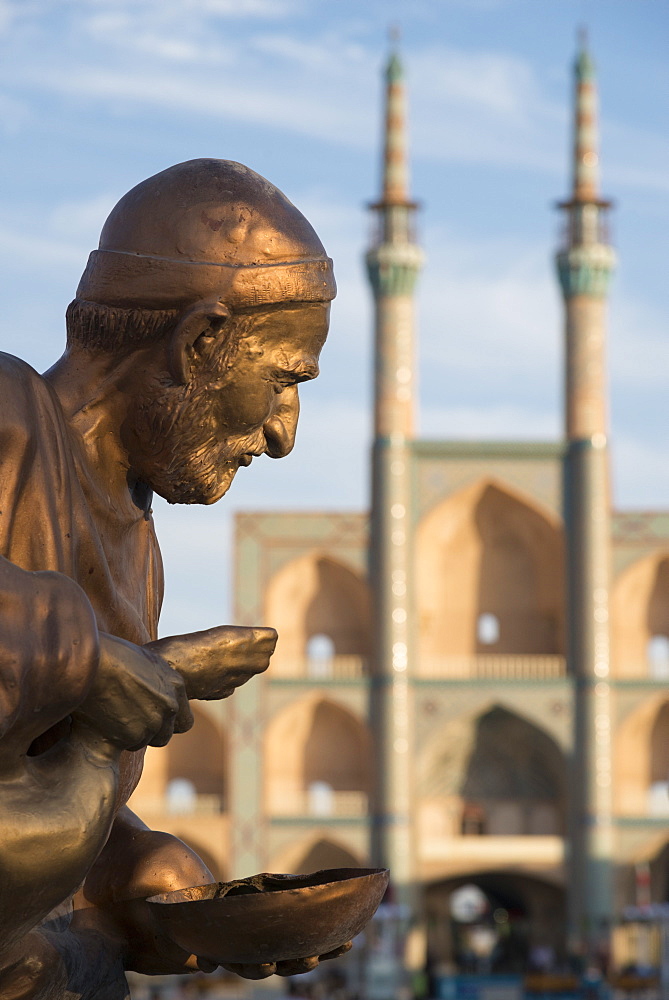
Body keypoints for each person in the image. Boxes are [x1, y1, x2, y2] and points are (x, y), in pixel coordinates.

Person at [0, 159, 341, 998]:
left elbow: (40, 776)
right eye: (283, 380)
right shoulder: (8, 419)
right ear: (198, 343)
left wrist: (142, 884)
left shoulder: (137, 542)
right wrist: (101, 664)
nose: (282, 432)